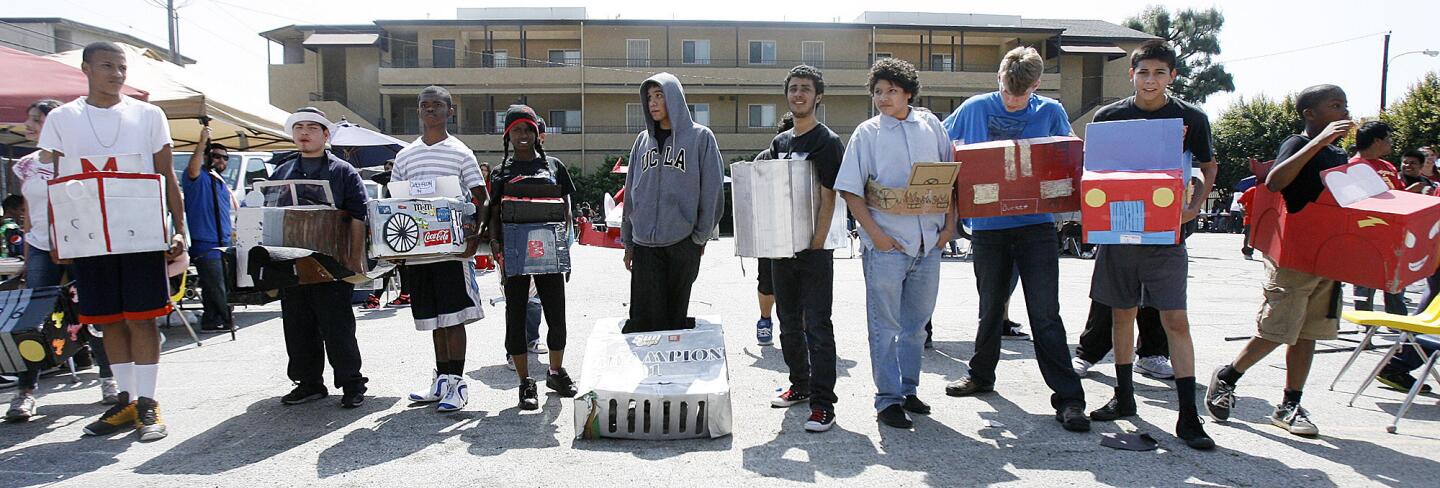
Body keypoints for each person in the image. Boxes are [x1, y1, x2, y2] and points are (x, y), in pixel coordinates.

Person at [36, 43, 188, 441]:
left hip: (140, 232)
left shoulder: (148, 115)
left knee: (143, 316)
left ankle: (148, 402)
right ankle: (125, 400)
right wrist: (56, 235)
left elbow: (167, 175)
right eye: (108, 66)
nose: (117, 74)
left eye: (122, 67)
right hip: (87, 236)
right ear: (86, 68)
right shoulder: (62, 118)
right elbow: (54, 184)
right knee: (108, 320)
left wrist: (178, 227)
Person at [938, 47, 1090, 433]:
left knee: (1044, 311)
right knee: (990, 306)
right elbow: (939, 146)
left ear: (1036, 85)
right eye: (1007, 90)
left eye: (1021, 94)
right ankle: (981, 375)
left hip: (1036, 226)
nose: (1012, 99)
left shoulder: (1051, 112)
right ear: (998, 78)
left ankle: (1069, 399)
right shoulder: (973, 108)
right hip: (989, 228)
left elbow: (1072, 157)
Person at [1085, 40, 1217, 450]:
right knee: (1121, 315)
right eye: (1143, 72)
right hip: (1118, 232)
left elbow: (1208, 166)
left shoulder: (1190, 117)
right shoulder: (1110, 116)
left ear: (1173, 76)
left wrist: (1192, 209)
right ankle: (1123, 398)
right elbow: (1095, 171)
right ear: (1132, 75)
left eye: (1160, 73)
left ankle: (1188, 416)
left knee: (1175, 319)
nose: (1151, 80)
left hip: (1166, 235)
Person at [1205, 84, 1354, 437]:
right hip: (1293, 254)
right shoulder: (1299, 143)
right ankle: (1228, 377)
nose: (1345, 111)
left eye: (1346, 104)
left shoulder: (1338, 154)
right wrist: (1317, 143)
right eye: (1336, 105)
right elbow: (1275, 181)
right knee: (1277, 329)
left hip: (1326, 255)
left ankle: (1290, 403)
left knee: (1308, 333)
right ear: (1311, 114)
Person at [835, 58, 956, 429]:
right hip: (888, 243)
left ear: (908, 93)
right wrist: (876, 235)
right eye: (877, 91)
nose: (883, 98)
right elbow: (851, 190)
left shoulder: (931, 125)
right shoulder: (866, 133)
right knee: (884, 325)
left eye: (891, 90)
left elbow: (951, 176)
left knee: (916, 326)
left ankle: (908, 389)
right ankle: (886, 399)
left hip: (929, 242)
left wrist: (951, 226)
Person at [4, 99, 118, 423]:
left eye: (36, 120)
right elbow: (28, 214)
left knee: (90, 312)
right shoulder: (25, 165)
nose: (29, 125)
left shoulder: (75, 160)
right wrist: (27, 256)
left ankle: (108, 379)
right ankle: (25, 392)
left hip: (78, 245)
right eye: (28, 119)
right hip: (40, 246)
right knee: (32, 319)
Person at [392, 86, 487, 413]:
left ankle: (458, 383)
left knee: (453, 317)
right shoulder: (405, 156)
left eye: (437, 105)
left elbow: (481, 198)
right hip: (419, 252)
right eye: (424, 105)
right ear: (418, 111)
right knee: (433, 318)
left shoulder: (461, 152)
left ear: (450, 111)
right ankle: (442, 379)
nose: (430, 110)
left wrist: (474, 236)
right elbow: (396, 203)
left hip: (451, 250)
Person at [269, 107, 370, 409]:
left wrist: (354, 259)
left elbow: (358, 215)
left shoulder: (343, 171)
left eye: (312, 127)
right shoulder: (282, 170)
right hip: (291, 260)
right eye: (299, 127)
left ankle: (352, 383)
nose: (304, 133)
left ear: (326, 135)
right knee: (297, 324)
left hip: (332, 259)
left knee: (337, 325)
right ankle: (308, 383)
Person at [762, 66, 845, 433]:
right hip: (783, 249)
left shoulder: (827, 142)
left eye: (806, 89)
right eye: (793, 89)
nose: (799, 94)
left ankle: (823, 404)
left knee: (818, 325)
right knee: (788, 323)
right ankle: (800, 383)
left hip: (814, 250)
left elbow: (830, 197)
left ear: (818, 96)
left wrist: (816, 243)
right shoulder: (781, 143)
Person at [488, 105, 578, 410]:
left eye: (528, 129)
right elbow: (493, 214)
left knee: (557, 315)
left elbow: (566, 208)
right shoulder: (502, 172)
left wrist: (565, 246)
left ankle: (555, 372)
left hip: (549, 249)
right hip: (513, 251)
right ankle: (525, 383)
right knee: (515, 317)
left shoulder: (554, 166)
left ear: (537, 133)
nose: (523, 135)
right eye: (517, 130)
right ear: (508, 135)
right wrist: (495, 245)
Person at [621, 73, 725, 333]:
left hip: (682, 242)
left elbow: (712, 191)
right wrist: (628, 241)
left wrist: (699, 237)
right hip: (645, 245)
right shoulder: (642, 142)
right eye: (649, 98)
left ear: (675, 99)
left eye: (659, 96)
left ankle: (674, 375)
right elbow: (631, 192)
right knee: (644, 323)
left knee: (674, 322)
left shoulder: (700, 138)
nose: (653, 103)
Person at [1347, 122, 1409, 316]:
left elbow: (1398, 195)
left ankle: (1400, 329)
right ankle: (1365, 327)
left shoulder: (1387, 166)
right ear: (1377, 141)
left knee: (1395, 284)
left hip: (1393, 236)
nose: (1391, 143)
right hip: (1366, 235)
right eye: (1388, 138)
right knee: (1365, 283)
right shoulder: (1352, 167)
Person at [181, 130, 236, 332]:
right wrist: (202, 141)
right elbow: (193, 168)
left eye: (225, 157)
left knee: (214, 286)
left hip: (223, 242)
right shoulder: (198, 177)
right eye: (216, 156)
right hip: (207, 244)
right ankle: (227, 317)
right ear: (206, 156)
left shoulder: (219, 181)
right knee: (218, 286)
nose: (221, 160)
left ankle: (210, 320)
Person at [753, 112, 796, 348]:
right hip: (769, 231)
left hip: (802, 233)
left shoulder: (812, 155)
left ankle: (797, 329)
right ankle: (765, 320)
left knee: (800, 283)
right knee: (767, 281)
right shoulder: (766, 157)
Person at [1237, 185, 1257, 259]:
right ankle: (1247, 252)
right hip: (1250, 217)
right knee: (1248, 235)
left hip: (1262, 217)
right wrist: (1241, 208)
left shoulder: (1269, 191)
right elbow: (1240, 201)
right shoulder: (1252, 190)